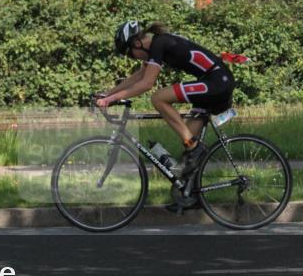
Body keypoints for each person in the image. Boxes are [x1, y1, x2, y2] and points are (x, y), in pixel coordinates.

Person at [96, 20, 235, 180]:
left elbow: (147, 84)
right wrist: (107, 94)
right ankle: (189, 196)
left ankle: (194, 147)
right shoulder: (157, 44)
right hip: (214, 81)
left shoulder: (159, 43)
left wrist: (111, 99)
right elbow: (138, 76)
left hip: (217, 82)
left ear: (137, 43)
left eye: (129, 53)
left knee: (158, 98)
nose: (132, 58)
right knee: (189, 149)